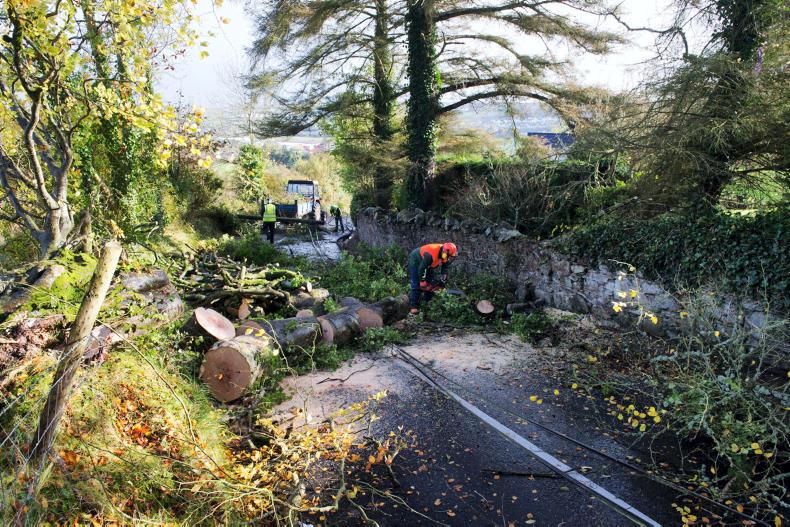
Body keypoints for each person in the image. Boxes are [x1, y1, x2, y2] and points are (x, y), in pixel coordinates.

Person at [407, 242, 458, 314]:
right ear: (444, 251)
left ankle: (428, 303)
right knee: (417, 284)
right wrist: (422, 281)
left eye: (450, 256)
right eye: (448, 256)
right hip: (416, 260)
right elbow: (422, 268)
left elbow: (445, 266)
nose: (448, 257)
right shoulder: (430, 254)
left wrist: (443, 277)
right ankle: (414, 307)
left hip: (428, 263)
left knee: (430, 283)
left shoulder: (445, 255)